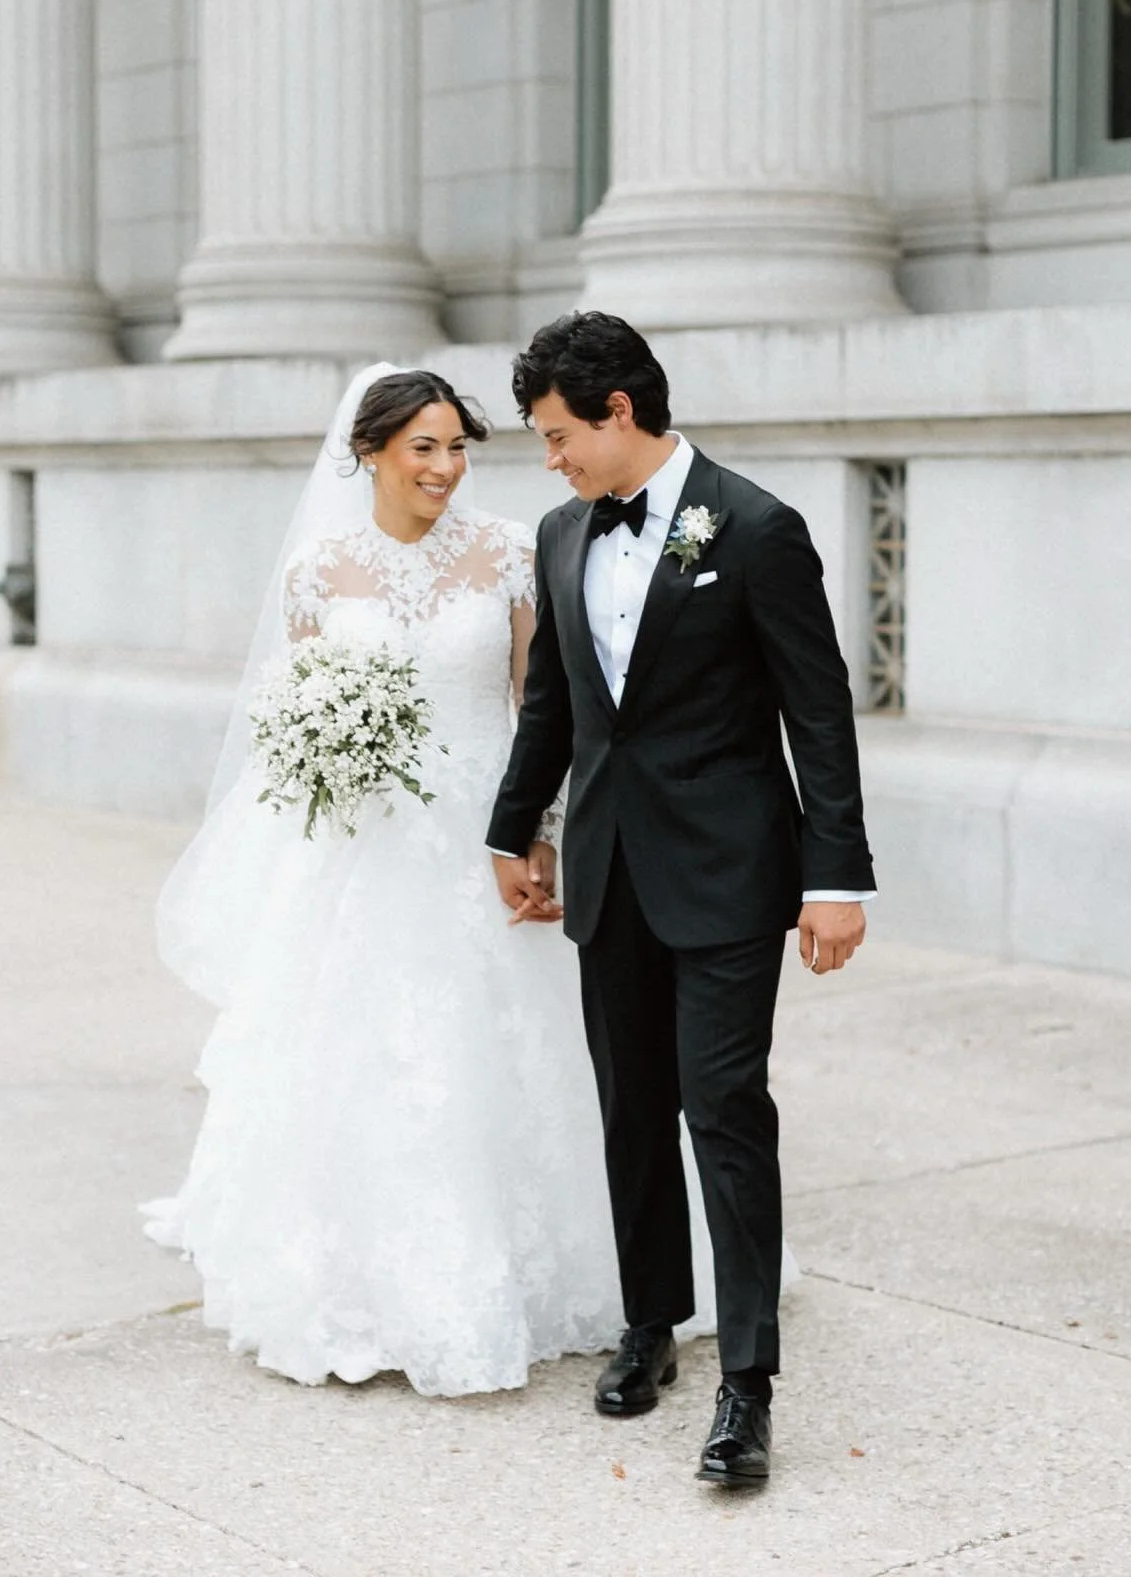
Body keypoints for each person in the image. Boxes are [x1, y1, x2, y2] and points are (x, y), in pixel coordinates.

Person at [142, 362, 764, 1396]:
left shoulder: (514, 553)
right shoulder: (316, 572)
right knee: (367, 1060)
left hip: (488, 834)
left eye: (458, 447)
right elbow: (292, 719)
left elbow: (541, 704)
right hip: (366, 854)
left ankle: (619, 1281)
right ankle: (364, 1281)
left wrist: (542, 833)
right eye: (423, 447)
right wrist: (329, 753)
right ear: (370, 453)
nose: (445, 467)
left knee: (541, 1059)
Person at [489, 312, 875, 1485]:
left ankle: (746, 1382)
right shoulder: (562, 534)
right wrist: (514, 829)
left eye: (558, 435)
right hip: (607, 869)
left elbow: (818, 710)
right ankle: (649, 1322)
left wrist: (835, 877)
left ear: (618, 411)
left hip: (729, 875)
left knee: (723, 1107)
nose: (549, 459)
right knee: (631, 1109)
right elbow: (555, 705)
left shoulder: (755, 527)